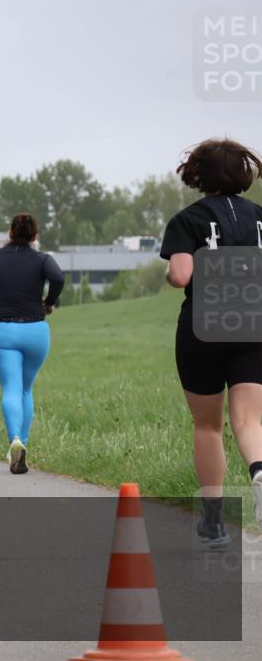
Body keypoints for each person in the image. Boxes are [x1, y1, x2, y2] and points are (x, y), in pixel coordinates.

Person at [159, 138, 262, 547]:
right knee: (249, 421)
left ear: (198, 175)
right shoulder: (259, 217)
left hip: (204, 325)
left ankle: (214, 523)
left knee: (207, 425)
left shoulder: (188, 220)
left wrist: (171, 271)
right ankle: (259, 471)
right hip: (253, 322)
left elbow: (181, 276)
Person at [0, 213, 64, 475]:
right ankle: (22, 443)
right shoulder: (43, 259)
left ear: (10, 233)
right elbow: (58, 278)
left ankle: (14, 439)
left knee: (11, 389)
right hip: (36, 331)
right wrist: (49, 302)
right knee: (26, 389)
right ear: (35, 236)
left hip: (4, 332)